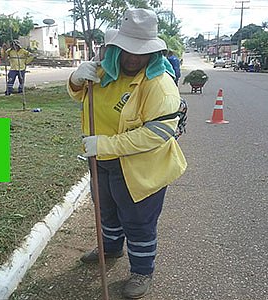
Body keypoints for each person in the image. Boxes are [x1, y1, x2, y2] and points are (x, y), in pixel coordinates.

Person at [67, 8, 187, 299]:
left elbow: (157, 134)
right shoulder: (103, 71)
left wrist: (104, 145)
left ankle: (142, 272)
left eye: (141, 52)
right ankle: (110, 248)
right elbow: (79, 94)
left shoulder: (160, 86)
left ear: (153, 52)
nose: (134, 58)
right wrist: (75, 79)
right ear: (116, 47)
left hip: (142, 167)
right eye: (127, 50)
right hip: (102, 162)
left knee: (138, 221)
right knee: (106, 210)